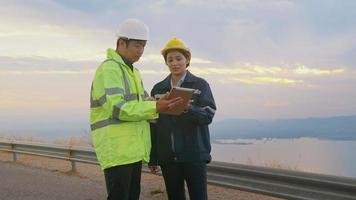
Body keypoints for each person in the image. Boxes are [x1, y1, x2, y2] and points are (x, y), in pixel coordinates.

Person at [90, 19, 183, 200]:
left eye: (143, 46)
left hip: (132, 150)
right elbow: (118, 108)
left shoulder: (133, 72)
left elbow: (141, 102)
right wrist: (155, 106)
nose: (140, 51)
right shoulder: (109, 69)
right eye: (136, 46)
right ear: (121, 43)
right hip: (117, 150)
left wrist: (156, 101)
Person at [149, 38, 216, 200]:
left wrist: (188, 108)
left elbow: (208, 115)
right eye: (170, 59)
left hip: (194, 155)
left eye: (179, 58)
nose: (174, 63)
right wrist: (153, 157)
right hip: (168, 158)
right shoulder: (158, 89)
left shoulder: (200, 85)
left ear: (187, 60)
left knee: (199, 197)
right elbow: (153, 125)